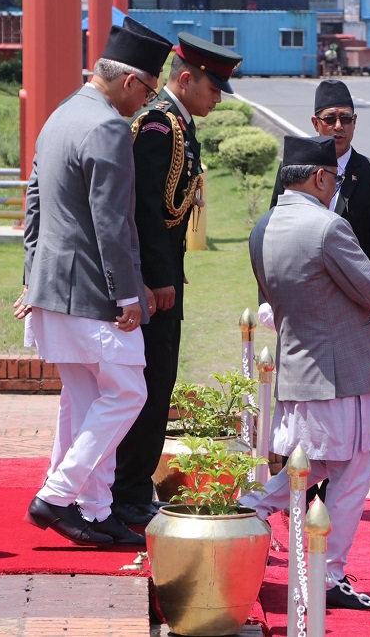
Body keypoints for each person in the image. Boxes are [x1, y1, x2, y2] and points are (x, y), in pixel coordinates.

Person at [242, 135, 370, 609]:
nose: (334, 187)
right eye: (334, 180)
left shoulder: (263, 227)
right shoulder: (328, 226)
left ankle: (250, 510)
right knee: (351, 470)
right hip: (338, 371)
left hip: (297, 367)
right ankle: (328, 575)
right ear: (321, 176)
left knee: (318, 464)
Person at [14, 19, 172, 547]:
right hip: (93, 292)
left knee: (84, 399)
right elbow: (111, 221)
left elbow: (34, 204)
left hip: (55, 287)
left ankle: (95, 506)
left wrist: (31, 278)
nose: (146, 102)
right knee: (129, 393)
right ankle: (57, 496)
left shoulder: (59, 116)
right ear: (131, 82)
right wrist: (127, 293)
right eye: (149, 91)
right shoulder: (106, 127)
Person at [111, 32, 242, 528]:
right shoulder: (158, 128)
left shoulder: (179, 124)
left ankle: (134, 488)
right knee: (149, 385)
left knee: (159, 383)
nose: (216, 99)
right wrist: (159, 277)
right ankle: (128, 494)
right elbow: (146, 209)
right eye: (212, 89)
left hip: (168, 278)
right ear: (185, 79)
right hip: (155, 282)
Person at [268, 79, 370, 331]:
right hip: (300, 298)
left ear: (355, 122)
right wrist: (267, 300)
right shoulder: (292, 169)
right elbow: (273, 232)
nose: (338, 127)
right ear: (315, 123)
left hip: (356, 302)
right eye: (330, 119)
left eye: (346, 119)